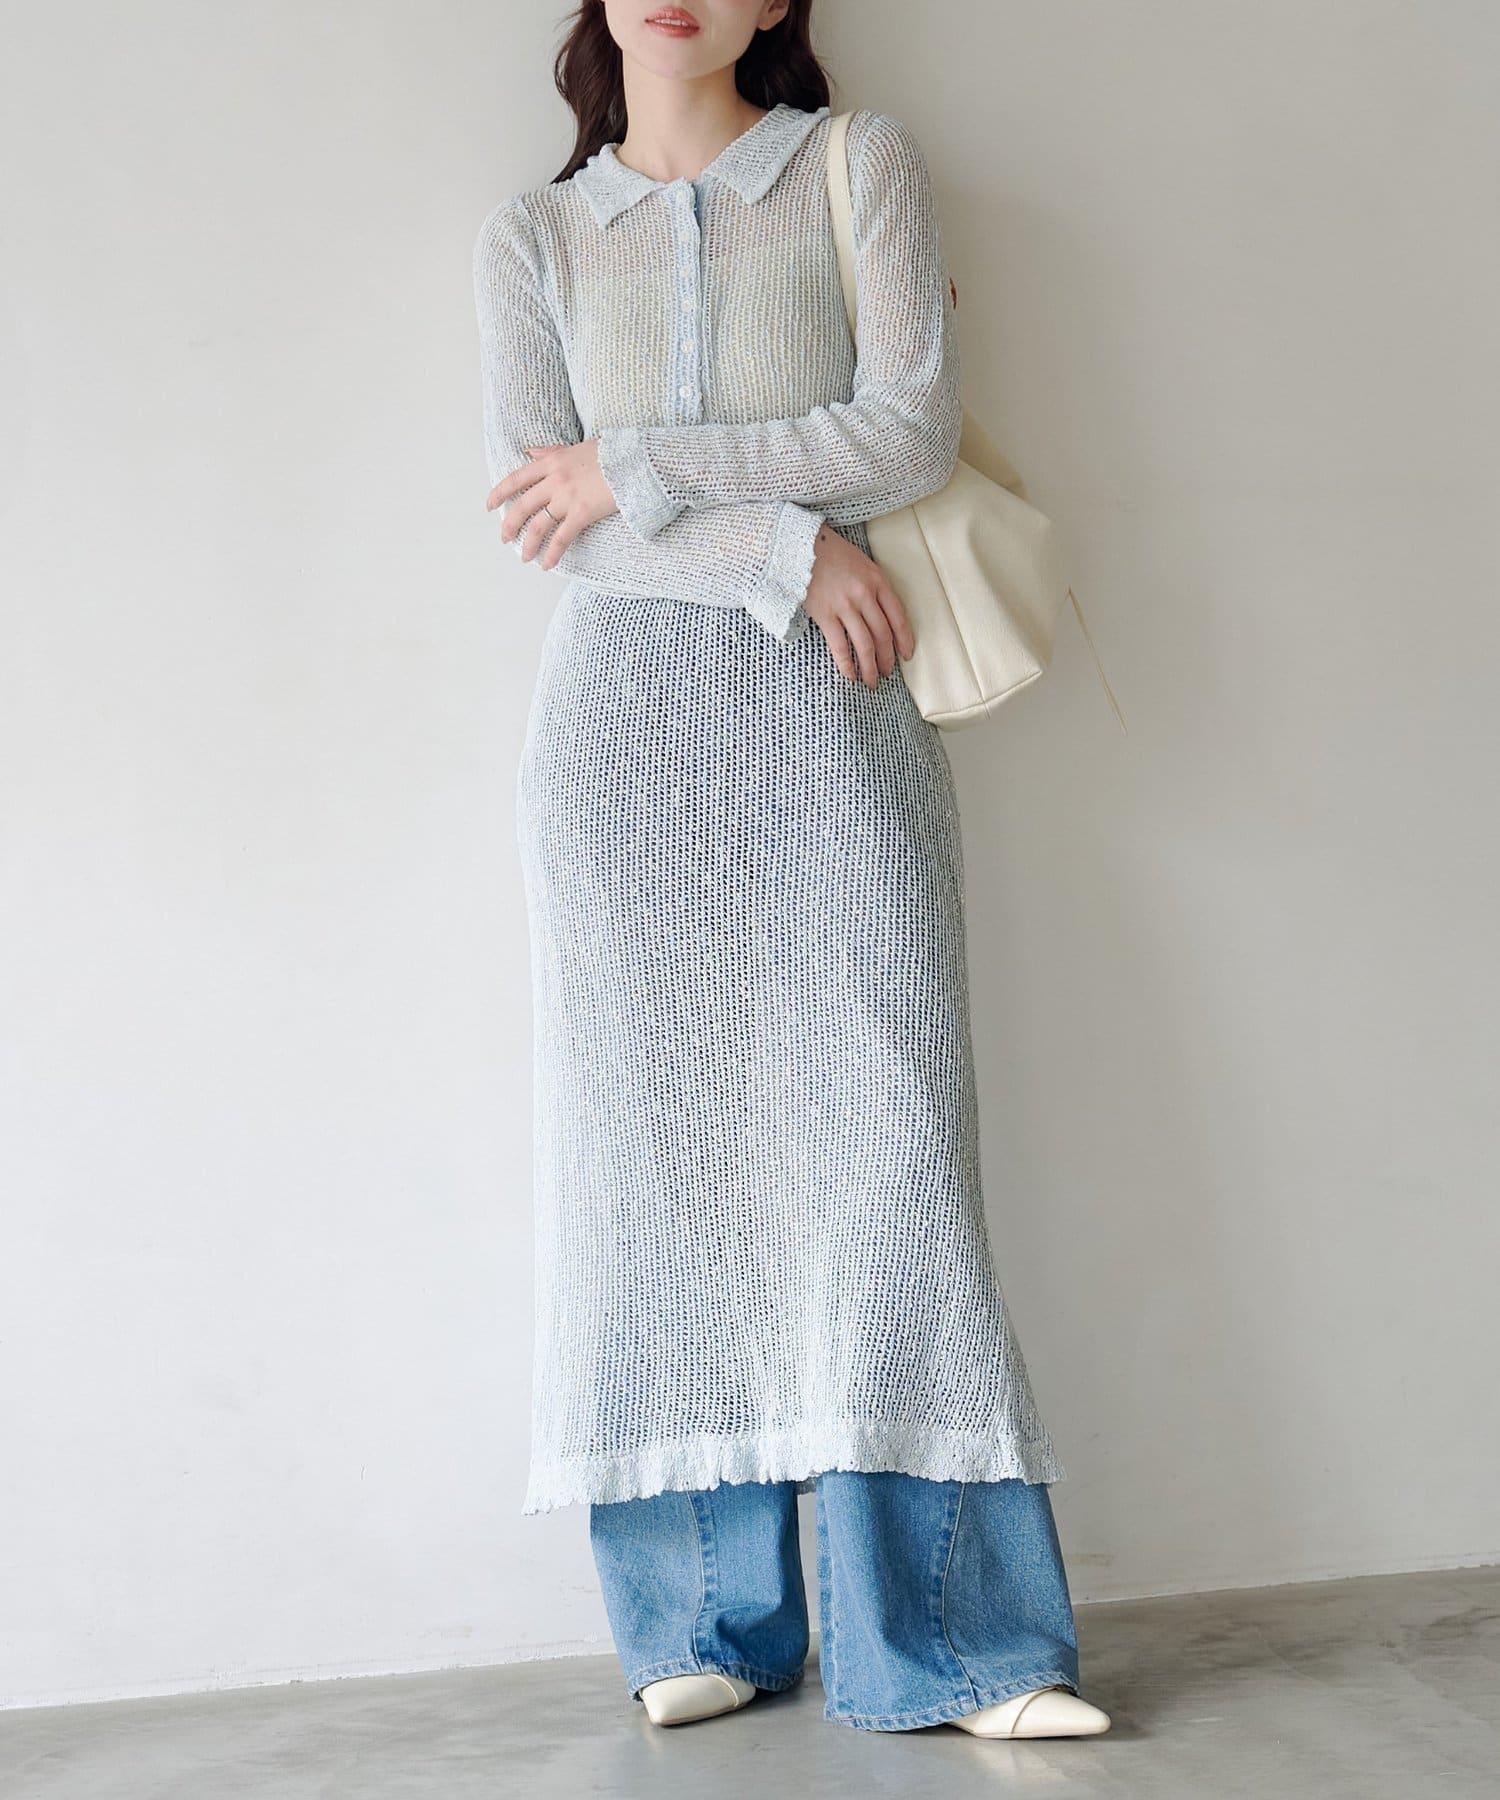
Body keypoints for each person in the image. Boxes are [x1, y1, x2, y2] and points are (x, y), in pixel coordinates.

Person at [471, 0, 1110, 1739]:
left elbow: (905, 430)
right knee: (654, 1174)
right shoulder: (533, 236)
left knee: (891, 1163)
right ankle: (702, 1617)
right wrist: (780, 551)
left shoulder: (855, 166)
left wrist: (638, 466)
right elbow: (545, 518)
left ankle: (960, 1647)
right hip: (621, 761)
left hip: (838, 728)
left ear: (777, 2)